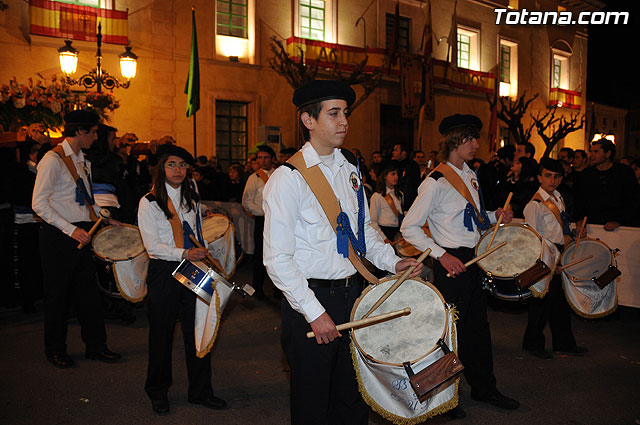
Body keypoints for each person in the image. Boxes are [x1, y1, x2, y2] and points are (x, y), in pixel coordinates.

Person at [263, 80, 422, 425]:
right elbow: (276, 259)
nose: (344, 121)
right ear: (308, 120)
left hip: (354, 295)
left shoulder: (350, 168)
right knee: (312, 403)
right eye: (333, 114)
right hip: (311, 301)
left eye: (345, 113)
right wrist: (314, 313)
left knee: (352, 398)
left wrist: (393, 262)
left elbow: (362, 231)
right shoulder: (287, 179)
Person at [401, 113, 519, 417]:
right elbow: (409, 227)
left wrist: (496, 217)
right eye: (471, 139)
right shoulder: (435, 182)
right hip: (450, 260)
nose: (477, 144)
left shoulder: (471, 175)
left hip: (472, 257)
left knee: (478, 328)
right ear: (454, 141)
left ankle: (485, 388)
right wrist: (441, 255)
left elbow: (473, 222)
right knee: (448, 332)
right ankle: (443, 398)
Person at [137, 143, 227, 415]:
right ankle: (157, 391)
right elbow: (152, 247)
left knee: (199, 329)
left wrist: (204, 216)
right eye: (171, 164)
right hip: (164, 270)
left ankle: (201, 391)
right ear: (161, 168)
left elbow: (192, 225)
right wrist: (185, 252)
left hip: (192, 267)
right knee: (161, 334)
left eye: (182, 165)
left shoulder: (193, 195)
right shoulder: (148, 202)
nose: (177, 170)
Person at [32, 110, 121, 369]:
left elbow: (82, 201)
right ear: (79, 131)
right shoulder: (52, 159)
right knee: (57, 296)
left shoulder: (82, 160)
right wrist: (70, 230)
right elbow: (39, 204)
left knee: (88, 294)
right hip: (58, 235)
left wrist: (103, 219)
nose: (96, 137)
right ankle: (55, 350)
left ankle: (96, 347)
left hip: (82, 229)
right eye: (93, 132)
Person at [522, 158, 588, 359]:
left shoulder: (558, 197)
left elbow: (560, 226)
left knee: (559, 302)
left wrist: (575, 233)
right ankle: (533, 343)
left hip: (560, 252)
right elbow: (532, 236)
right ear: (539, 177)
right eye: (548, 176)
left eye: (557, 176)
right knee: (540, 302)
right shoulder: (534, 204)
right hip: (545, 255)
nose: (552, 180)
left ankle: (564, 343)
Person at [573, 139, 638, 231]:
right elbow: (578, 199)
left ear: (607, 154)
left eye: (596, 151)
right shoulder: (586, 174)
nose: (591, 155)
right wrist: (579, 219)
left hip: (620, 228)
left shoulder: (624, 173)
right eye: (591, 151)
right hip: (592, 226)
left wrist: (619, 221)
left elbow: (633, 200)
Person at [242, 144, 277, 300]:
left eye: (266, 157)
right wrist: (263, 212)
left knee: (279, 254)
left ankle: (279, 289)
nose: (262, 161)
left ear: (272, 159)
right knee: (260, 255)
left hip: (279, 220)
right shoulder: (254, 178)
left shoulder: (279, 174)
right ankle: (258, 288)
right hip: (262, 220)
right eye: (260, 158)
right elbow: (247, 201)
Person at [369, 165, 403, 243]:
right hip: (384, 232)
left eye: (397, 174)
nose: (396, 177)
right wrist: (384, 238)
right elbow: (372, 221)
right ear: (384, 176)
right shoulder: (377, 196)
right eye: (393, 174)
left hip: (397, 233)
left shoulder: (400, 195)